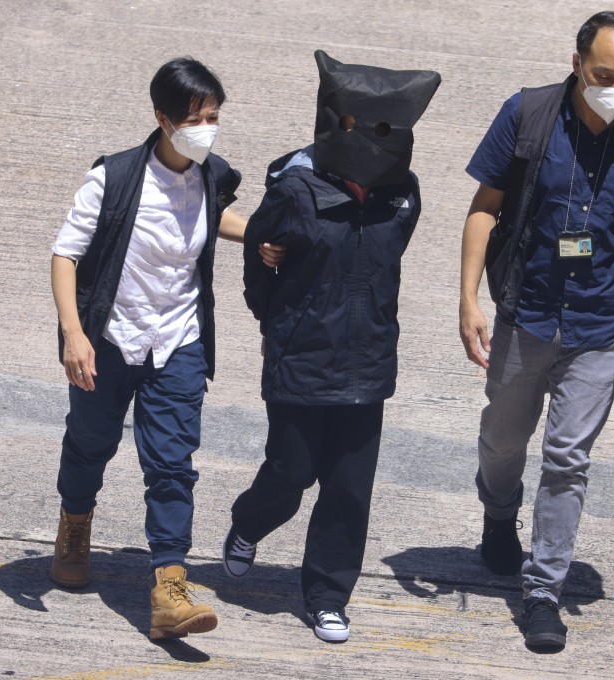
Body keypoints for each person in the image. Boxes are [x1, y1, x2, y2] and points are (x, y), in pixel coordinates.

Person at [458, 11, 614, 650]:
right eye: (604, 74)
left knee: (567, 460)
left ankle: (543, 591)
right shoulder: (528, 114)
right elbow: (484, 209)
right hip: (526, 313)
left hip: (599, 323)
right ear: (578, 61)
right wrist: (468, 300)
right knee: (503, 442)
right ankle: (498, 513)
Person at [48, 57, 282, 639]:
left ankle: (169, 588)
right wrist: (74, 334)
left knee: (173, 464)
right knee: (90, 444)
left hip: (178, 341)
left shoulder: (211, 174)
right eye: (198, 118)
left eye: (214, 116)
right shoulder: (116, 177)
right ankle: (76, 524)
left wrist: (258, 235)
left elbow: (214, 215)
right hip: (111, 339)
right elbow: (65, 255)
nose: (208, 127)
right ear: (163, 118)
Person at [221, 50, 441, 644]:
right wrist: (272, 313)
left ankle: (326, 595)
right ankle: (247, 524)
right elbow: (257, 248)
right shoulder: (295, 189)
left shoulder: (405, 196)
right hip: (301, 359)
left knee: (348, 490)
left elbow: (386, 260)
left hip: (368, 365)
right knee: (290, 473)